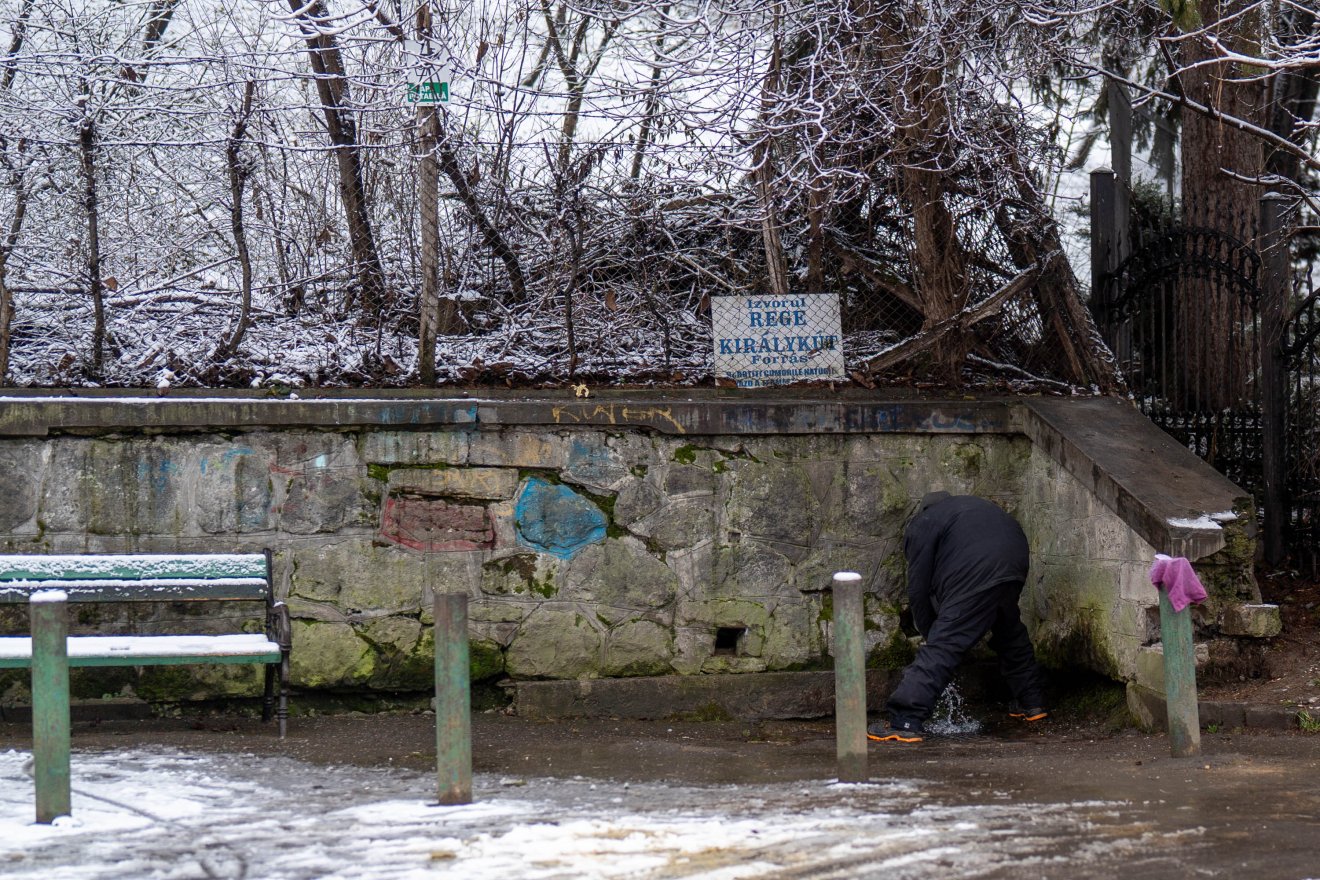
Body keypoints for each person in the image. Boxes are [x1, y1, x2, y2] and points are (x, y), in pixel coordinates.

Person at [868, 492, 1048, 743]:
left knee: (945, 645)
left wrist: (931, 633)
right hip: (1014, 563)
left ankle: (905, 720)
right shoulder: (975, 507)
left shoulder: (925, 521)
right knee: (1009, 630)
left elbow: (918, 588)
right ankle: (1032, 703)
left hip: (978, 571)